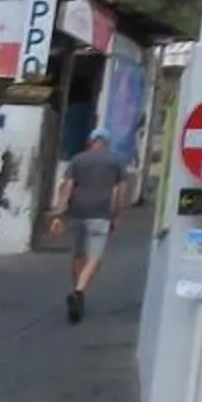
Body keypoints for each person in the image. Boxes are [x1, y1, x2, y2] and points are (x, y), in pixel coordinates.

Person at [50, 129, 128, 324]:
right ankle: (79, 291)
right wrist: (117, 213)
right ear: (107, 143)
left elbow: (67, 187)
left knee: (78, 254)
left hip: (77, 212)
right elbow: (121, 190)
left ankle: (77, 288)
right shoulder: (115, 161)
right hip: (101, 213)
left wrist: (59, 212)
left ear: (90, 141)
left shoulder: (78, 160)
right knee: (94, 257)